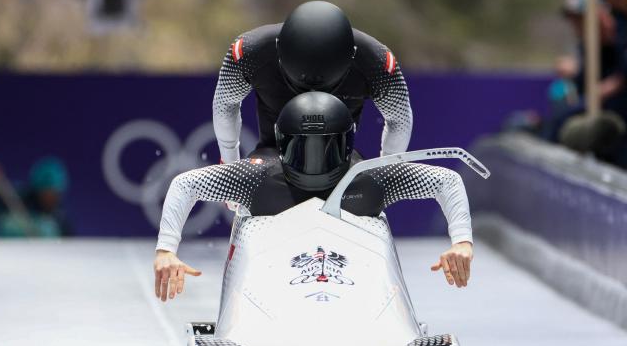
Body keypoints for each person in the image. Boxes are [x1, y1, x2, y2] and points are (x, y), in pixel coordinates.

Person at [155, 92, 473, 302]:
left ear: (345, 144)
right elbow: (186, 185)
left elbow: (446, 181)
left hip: (353, 282)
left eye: (326, 148)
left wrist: (461, 242)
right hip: (276, 281)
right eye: (302, 149)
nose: (314, 161)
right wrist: (166, 250)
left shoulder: (372, 176)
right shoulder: (256, 175)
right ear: (282, 145)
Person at [212, 0, 413, 164]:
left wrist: (387, 173)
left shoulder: (377, 62)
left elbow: (399, 119)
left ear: (351, 58)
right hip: (274, 153)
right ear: (279, 50)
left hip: (338, 157)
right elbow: (225, 102)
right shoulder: (249, 51)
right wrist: (229, 165)